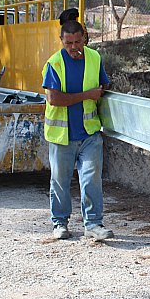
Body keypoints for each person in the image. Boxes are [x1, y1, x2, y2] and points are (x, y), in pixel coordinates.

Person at [41, 19, 114, 241]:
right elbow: (54, 99)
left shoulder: (94, 58)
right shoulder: (54, 63)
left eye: (77, 41)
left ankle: (93, 224)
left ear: (84, 38)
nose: (73, 47)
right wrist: (87, 95)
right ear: (61, 41)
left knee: (92, 179)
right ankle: (60, 223)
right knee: (60, 181)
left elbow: (103, 85)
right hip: (62, 136)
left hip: (89, 133)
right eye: (68, 43)